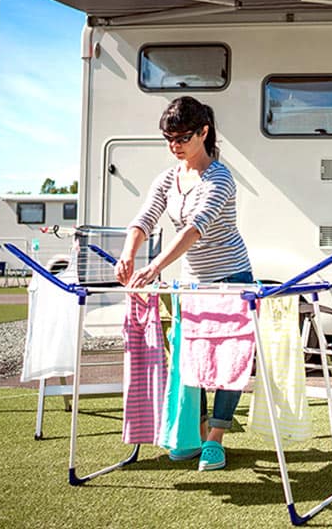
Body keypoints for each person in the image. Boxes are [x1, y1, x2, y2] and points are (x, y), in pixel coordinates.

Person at [115, 96, 252, 472]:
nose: (175, 146)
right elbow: (144, 218)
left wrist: (155, 265)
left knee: (229, 361)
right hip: (193, 283)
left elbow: (196, 229)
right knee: (192, 359)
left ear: (204, 132)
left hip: (231, 280)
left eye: (182, 138)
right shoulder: (167, 179)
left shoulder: (219, 177)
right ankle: (198, 429)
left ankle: (216, 439)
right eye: (169, 139)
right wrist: (130, 253)